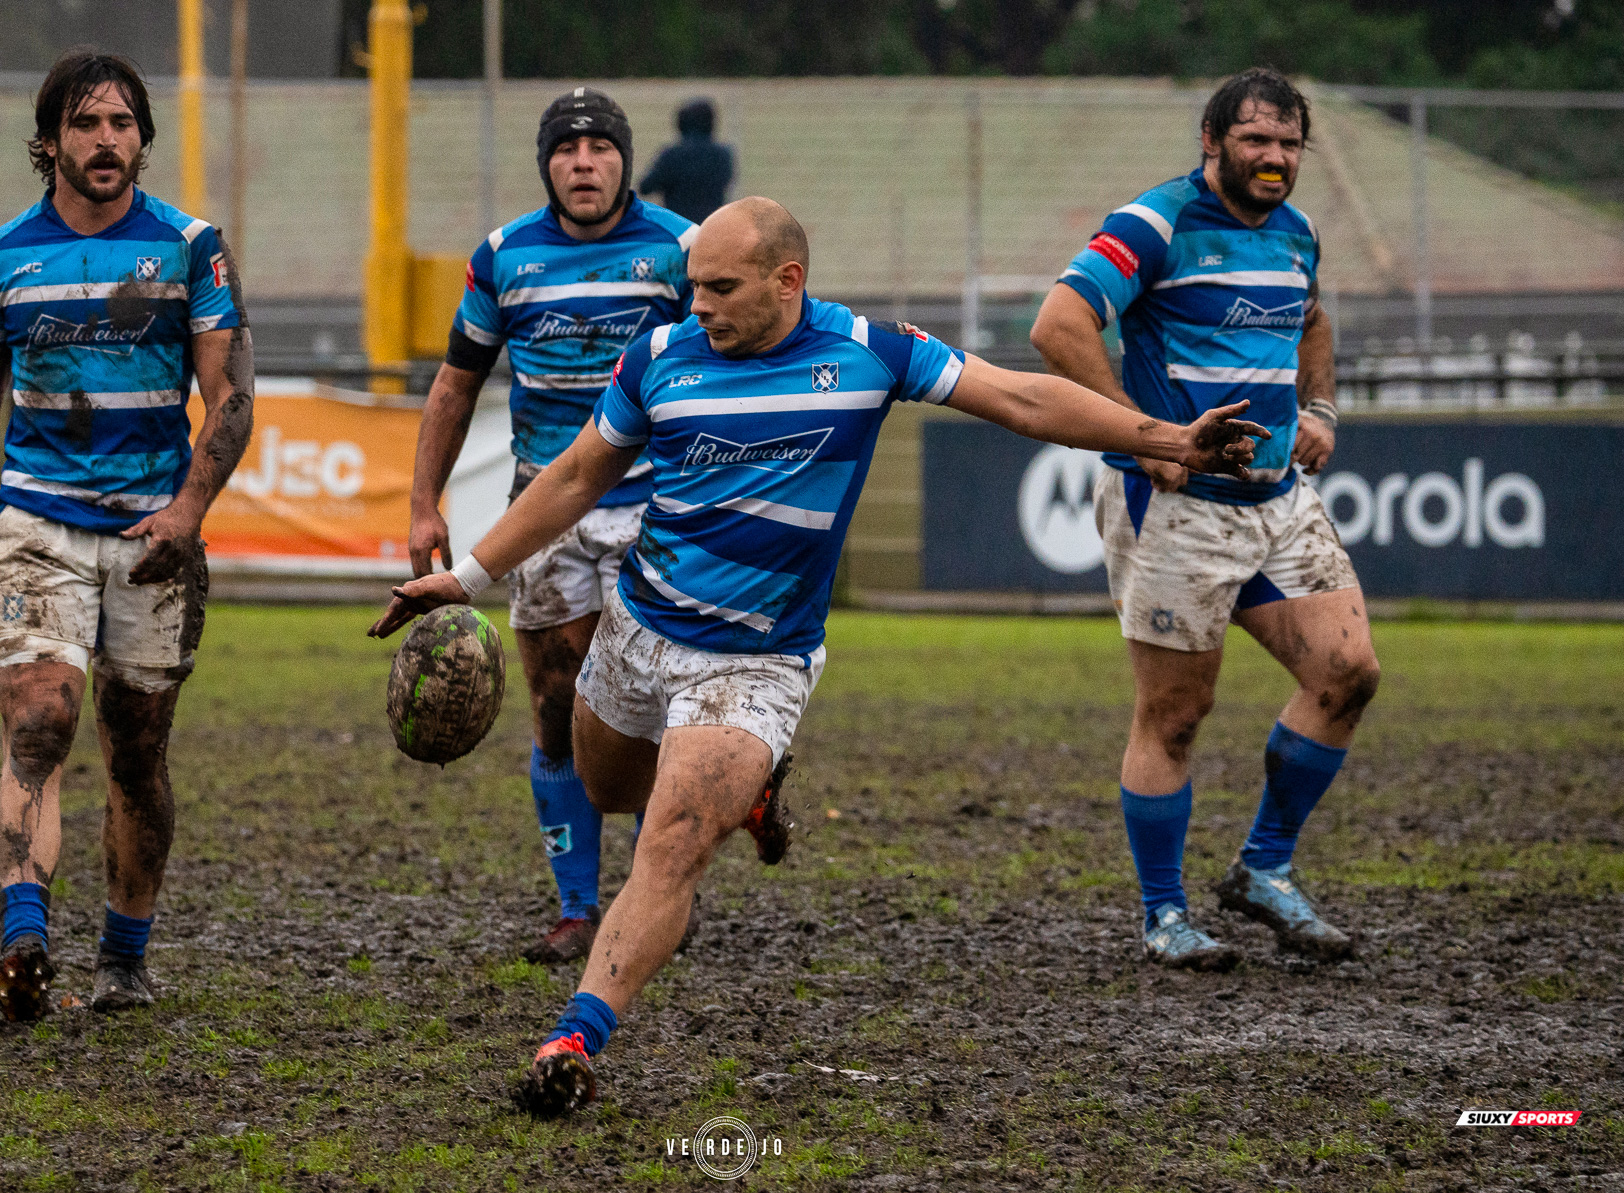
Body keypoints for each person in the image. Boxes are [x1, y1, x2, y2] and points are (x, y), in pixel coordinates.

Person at [371, 196, 1266, 1115]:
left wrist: (1167, 438)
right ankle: (746, 793)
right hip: (636, 630)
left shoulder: (873, 354)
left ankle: (575, 1035)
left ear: (786, 281)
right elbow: (572, 475)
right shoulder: (658, 357)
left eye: (720, 287)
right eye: (691, 287)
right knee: (605, 788)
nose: (699, 305)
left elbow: (1023, 396)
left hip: (755, 663)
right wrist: (470, 576)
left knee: (671, 846)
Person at [1030, 67, 1381, 972]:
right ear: (1212, 143)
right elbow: (1059, 325)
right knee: (1176, 716)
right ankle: (1163, 914)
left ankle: (1263, 868)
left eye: (1289, 143)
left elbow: (1310, 322)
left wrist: (1322, 410)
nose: (1273, 157)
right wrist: (1143, 436)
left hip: (1276, 501)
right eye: (1256, 140)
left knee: (1348, 672)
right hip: (1178, 508)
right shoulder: (1157, 222)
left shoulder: (1296, 232)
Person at [0, 48, 253, 1020]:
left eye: (121, 124)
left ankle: (124, 954)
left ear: (144, 139)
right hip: (39, 522)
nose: (105, 140)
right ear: (49, 141)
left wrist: (188, 514)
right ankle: (24, 938)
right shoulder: (0, 255)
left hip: (156, 530)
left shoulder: (193, 246)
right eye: (85, 123)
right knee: (39, 722)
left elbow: (230, 395)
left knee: (137, 752)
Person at [405, 88, 703, 964]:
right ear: (547, 164)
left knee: (653, 705)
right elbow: (457, 382)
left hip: (657, 504)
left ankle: (658, 893)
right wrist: (425, 499)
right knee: (555, 703)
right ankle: (578, 908)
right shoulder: (504, 257)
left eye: (600, 147)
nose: (584, 161)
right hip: (546, 506)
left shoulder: (681, 249)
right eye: (566, 148)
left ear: (624, 160)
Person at [637, 98, 735, 224]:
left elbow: (645, 188)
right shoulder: (723, 155)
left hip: (678, 228)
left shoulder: (672, 155)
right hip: (712, 228)